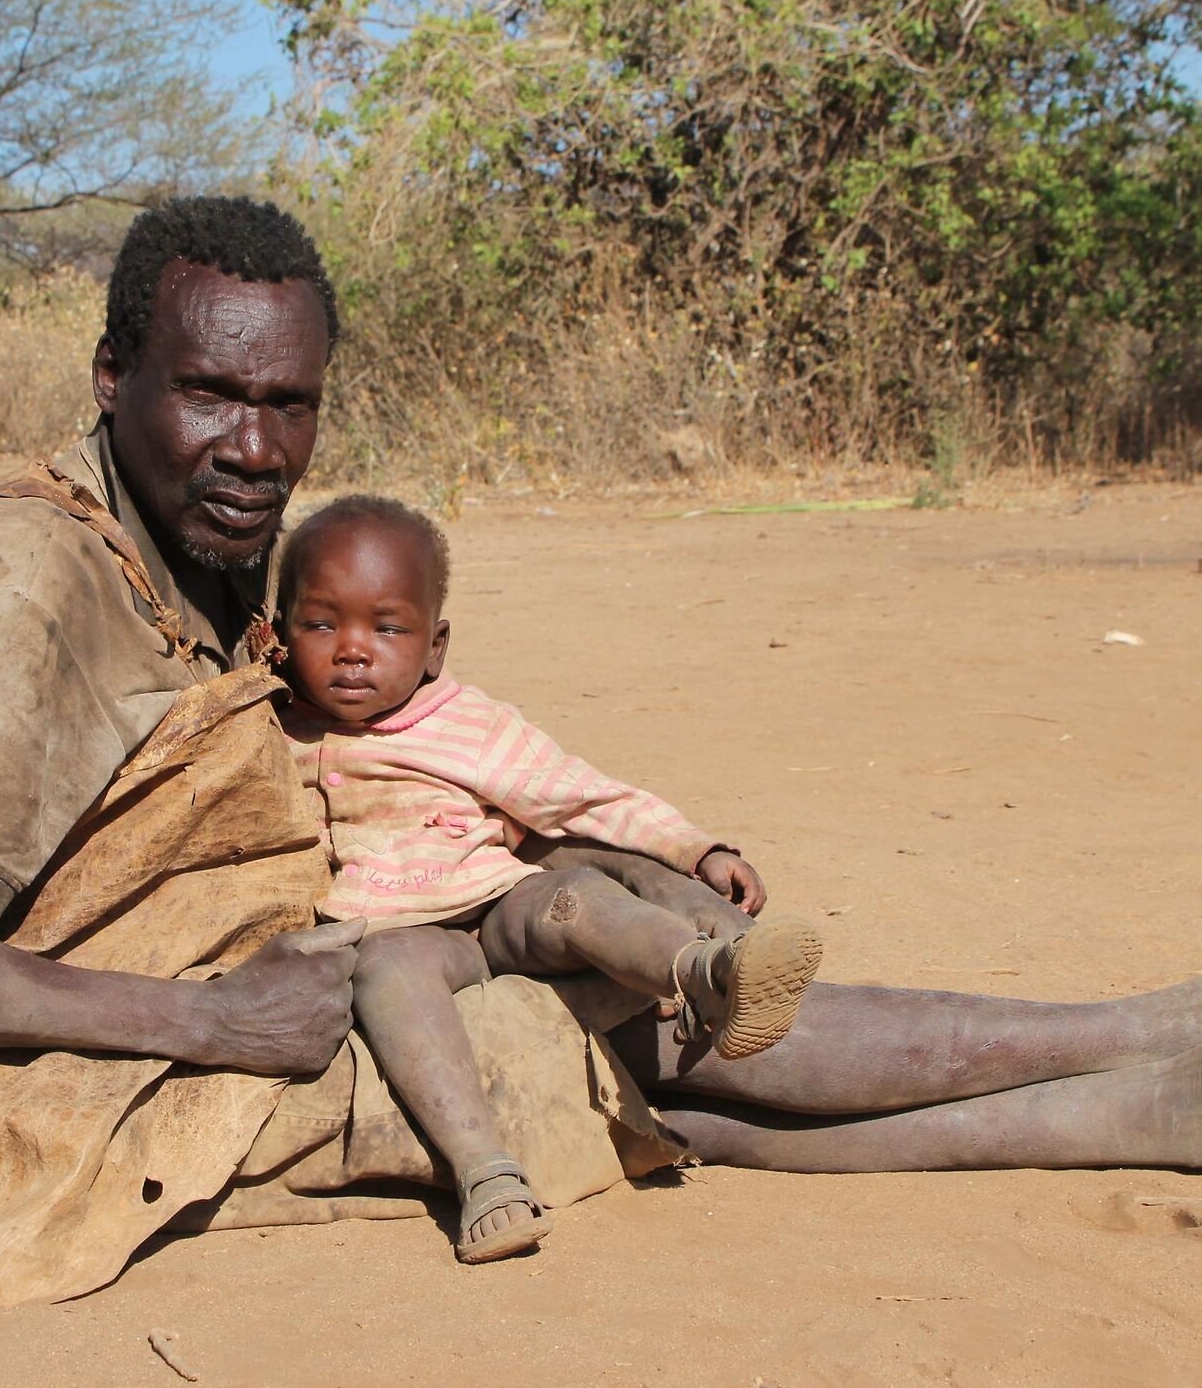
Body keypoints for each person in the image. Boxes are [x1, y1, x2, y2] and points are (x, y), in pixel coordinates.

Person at [0, 195, 1202, 1308]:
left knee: (655, 1030)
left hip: (246, 1001)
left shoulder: (199, 554)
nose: (256, 447)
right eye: (212, 393)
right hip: (95, 1086)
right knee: (666, 1044)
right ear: (111, 376)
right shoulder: (29, 579)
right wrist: (202, 1017)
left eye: (289, 404)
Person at [276, 494, 826, 1263]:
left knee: (577, 901)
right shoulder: (274, 731)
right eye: (322, 623)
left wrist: (698, 850)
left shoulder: (468, 724)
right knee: (384, 973)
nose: (352, 649)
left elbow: (587, 797)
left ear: (434, 645)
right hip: (406, 939)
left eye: (387, 626)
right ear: (277, 635)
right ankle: (486, 1175)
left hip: (498, 898)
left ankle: (707, 971)